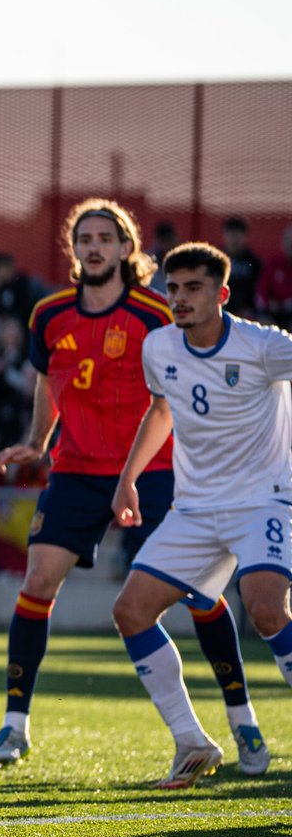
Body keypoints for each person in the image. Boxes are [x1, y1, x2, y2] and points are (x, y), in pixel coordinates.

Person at [0, 199, 262, 771]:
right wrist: (39, 443)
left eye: (105, 238)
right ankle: (14, 726)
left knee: (198, 594)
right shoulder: (49, 314)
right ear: (74, 248)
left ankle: (242, 720)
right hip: (78, 469)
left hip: (158, 471)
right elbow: (49, 383)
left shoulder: (156, 313)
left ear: (125, 248)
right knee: (36, 582)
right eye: (84, 237)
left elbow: (187, 386)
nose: (93, 246)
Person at [110, 242, 291, 786]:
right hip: (195, 509)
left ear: (222, 294)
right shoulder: (159, 345)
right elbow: (161, 410)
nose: (180, 299)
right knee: (130, 612)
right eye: (173, 288)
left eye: (193, 288)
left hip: (264, 501)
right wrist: (128, 479)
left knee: (263, 608)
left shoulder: (263, 345)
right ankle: (192, 742)